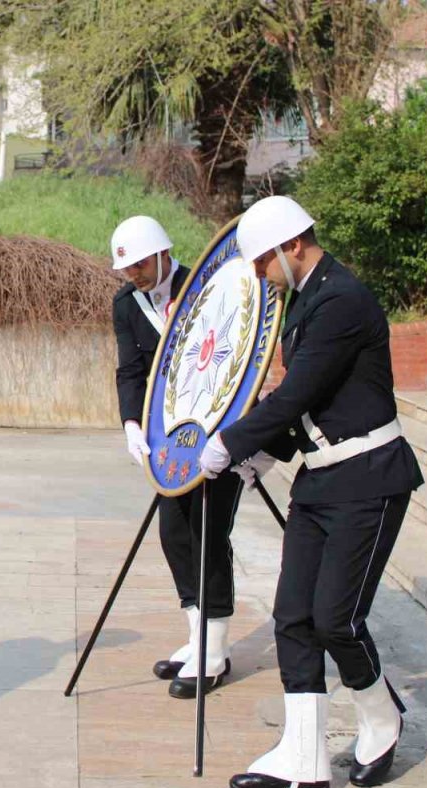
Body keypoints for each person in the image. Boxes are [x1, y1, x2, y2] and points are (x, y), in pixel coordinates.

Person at [197, 196, 423, 788]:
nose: (259, 274)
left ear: (293, 245)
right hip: (322, 481)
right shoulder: (308, 301)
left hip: (370, 479)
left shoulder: (342, 300)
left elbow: (297, 392)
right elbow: (317, 405)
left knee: (337, 620)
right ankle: (304, 758)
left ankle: (382, 716)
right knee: (293, 616)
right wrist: (265, 456)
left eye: (263, 261)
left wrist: (231, 442)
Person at [110, 215, 244, 699]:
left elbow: (235, 354)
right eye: (127, 269)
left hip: (218, 435)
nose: (135, 275)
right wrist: (131, 424)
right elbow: (131, 370)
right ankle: (197, 634)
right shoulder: (127, 305)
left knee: (207, 533)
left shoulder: (204, 288)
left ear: (164, 253)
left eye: (141, 264)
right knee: (173, 534)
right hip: (170, 443)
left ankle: (216, 649)